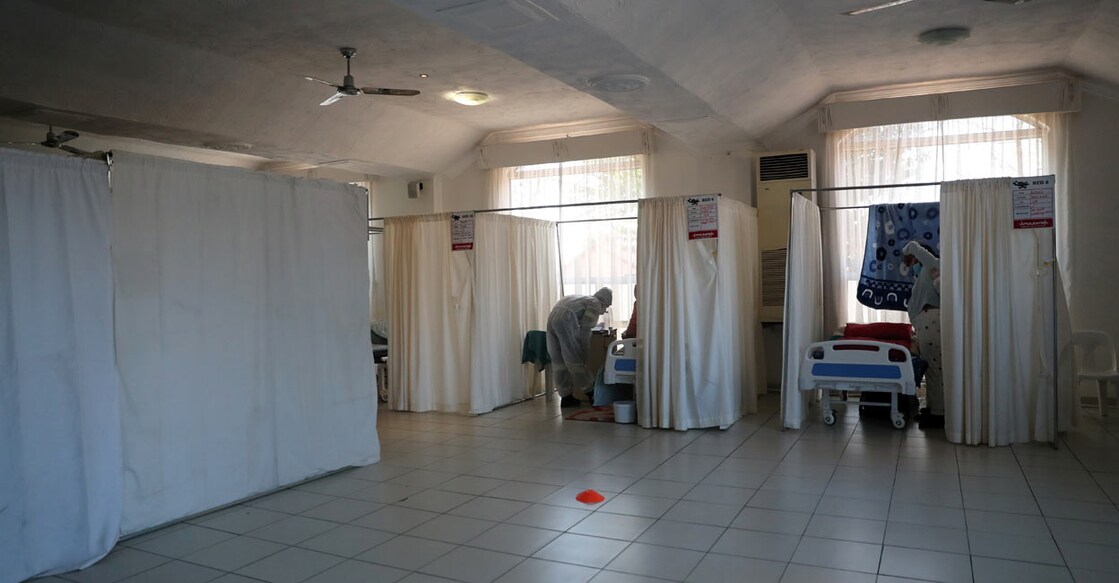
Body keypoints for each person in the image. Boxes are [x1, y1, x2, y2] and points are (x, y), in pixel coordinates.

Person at [546, 287, 612, 407]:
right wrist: (584, 350)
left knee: (558, 361)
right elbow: (585, 329)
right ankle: (591, 392)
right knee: (574, 361)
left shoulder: (582, 299)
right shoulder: (595, 304)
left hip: (552, 318)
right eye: (606, 307)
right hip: (566, 320)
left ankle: (566, 396)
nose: (604, 311)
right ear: (604, 303)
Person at [902, 240, 943, 429]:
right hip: (926, 325)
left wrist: (907, 253)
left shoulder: (932, 264)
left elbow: (912, 245)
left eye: (914, 262)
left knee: (935, 370)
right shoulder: (925, 275)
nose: (913, 266)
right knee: (932, 369)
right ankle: (933, 408)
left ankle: (938, 414)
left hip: (931, 323)